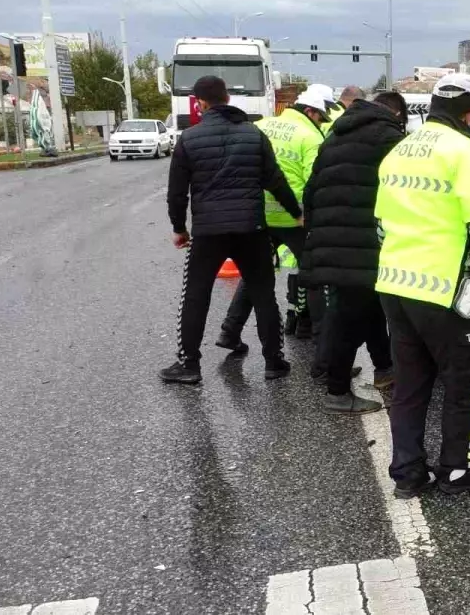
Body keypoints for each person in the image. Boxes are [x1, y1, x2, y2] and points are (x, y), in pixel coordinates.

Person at [374, 73, 470, 497]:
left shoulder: (399, 150)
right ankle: (457, 470)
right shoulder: (464, 151)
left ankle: (408, 473)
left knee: (410, 383)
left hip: (395, 283)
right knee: (463, 378)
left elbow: (379, 226)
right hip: (447, 288)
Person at [161, 75, 302, 384]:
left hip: (208, 232)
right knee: (263, 293)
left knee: (196, 295)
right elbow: (274, 179)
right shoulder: (253, 134)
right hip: (251, 228)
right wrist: (296, 212)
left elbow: (176, 192)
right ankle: (274, 362)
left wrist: (179, 228)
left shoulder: (189, 138)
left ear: (200, 103)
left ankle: (189, 365)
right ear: (227, 98)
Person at [302, 92, 409, 414]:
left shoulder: (334, 136)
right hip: (364, 245)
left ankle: (384, 368)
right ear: (396, 113)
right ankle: (337, 391)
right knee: (351, 318)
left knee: (364, 308)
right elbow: (405, 190)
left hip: (331, 240)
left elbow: (311, 191)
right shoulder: (389, 139)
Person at [214, 86, 331, 353]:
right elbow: (317, 182)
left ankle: (229, 332)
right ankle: (324, 348)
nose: (321, 122)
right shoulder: (310, 137)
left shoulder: (260, 126)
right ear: (311, 112)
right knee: (314, 276)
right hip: (296, 218)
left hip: (256, 214)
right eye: (321, 117)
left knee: (254, 275)